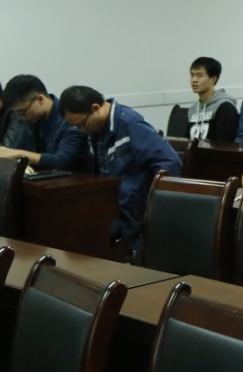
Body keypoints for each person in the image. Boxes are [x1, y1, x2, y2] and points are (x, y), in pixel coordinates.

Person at [60, 86, 182, 254]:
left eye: (82, 124)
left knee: (82, 240)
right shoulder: (95, 129)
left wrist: (154, 209)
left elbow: (170, 162)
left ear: (95, 108)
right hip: (107, 206)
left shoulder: (130, 123)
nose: (82, 130)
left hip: (130, 213)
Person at [0, 75, 87, 171]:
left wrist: (20, 154)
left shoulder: (70, 118)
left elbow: (62, 161)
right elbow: (16, 149)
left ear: (40, 99)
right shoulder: (32, 119)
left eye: (22, 111)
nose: (22, 117)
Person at [186, 57, 239, 142]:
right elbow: (186, 142)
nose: (194, 80)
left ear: (213, 79)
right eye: (192, 75)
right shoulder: (192, 109)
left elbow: (224, 144)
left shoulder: (225, 107)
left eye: (199, 75)